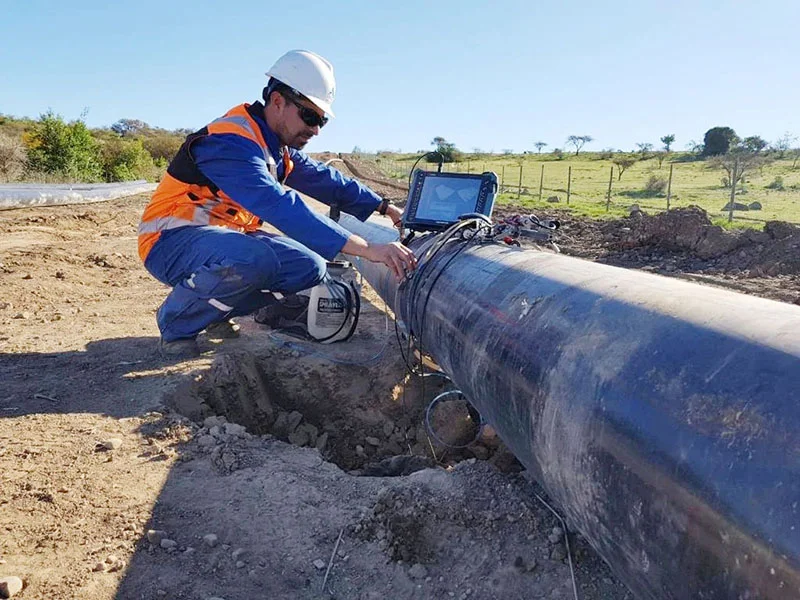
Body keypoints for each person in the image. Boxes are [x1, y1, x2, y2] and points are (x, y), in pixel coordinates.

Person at [138, 49, 415, 358]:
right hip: (170, 241)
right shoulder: (230, 142)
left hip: (224, 241)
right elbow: (280, 205)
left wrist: (385, 208)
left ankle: (214, 314)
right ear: (278, 101)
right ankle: (177, 322)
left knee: (309, 266)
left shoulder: (273, 147)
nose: (316, 129)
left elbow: (325, 180)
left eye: (321, 120)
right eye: (310, 116)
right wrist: (367, 249)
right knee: (256, 258)